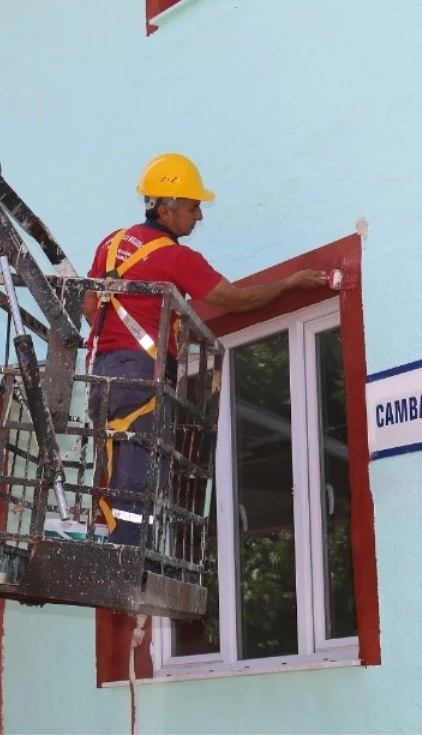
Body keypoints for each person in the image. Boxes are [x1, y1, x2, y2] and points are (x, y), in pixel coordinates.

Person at [83, 152, 328, 550]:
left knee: (114, 465)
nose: (199, 216)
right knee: (139, 471)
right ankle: (128, 559)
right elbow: (238, 301)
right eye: (194, 207)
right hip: (141, 375)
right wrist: (290, 284)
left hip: (102, 373)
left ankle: (118, 547)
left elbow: (91, 307)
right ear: (167, 208)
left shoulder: (112, 245)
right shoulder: (176, 258)